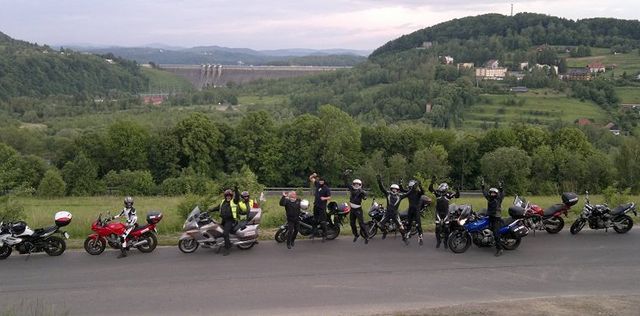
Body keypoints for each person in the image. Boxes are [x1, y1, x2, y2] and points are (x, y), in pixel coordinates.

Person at [376, 175, 409, 245]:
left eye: (395, 189)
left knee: (401, 227)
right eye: (392, 189)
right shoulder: (388, 194)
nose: (394, 190)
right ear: (391, 189)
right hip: (387, 213)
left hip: (395, 214)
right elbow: (382, 189)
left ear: (398, 190)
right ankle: (385, 231)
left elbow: (408, 193)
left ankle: (404, 238)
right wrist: (379, 182)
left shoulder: (400, 196)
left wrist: (413, 189)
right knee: (379, 225)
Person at [429, 177, 460, 249]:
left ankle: (445, 242)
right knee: (437, 227)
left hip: (446, 212)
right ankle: (438, 241)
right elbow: (430, 189)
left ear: (445, 188)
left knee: (446, 228)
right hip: (438, 212)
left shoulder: (449, 194)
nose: (440, 189)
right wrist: (432, 182)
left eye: (442, 188)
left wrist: (457, 189)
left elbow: (457, 196)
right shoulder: (437, 193)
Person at [209, 188, 240, 256]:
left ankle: (227, 249)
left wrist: (236, 191)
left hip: (230, 220)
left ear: (231, 196)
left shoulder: (234, 202)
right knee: (218, 230)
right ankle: (220, 243)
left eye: (230, 195)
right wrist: (209, 210)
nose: (228, 196)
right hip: (224, 220)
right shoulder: (223, 202)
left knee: (225, 234)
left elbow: (237, 197)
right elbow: (217, 208)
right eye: (227, 195)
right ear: (225, 196)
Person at [343, 170, 369, 244]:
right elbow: (346, 183)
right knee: (352, 223)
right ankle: (356, 235)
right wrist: (345, 175)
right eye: (355, 184)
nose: (356, 185)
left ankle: (367, 236)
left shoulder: (361, 191)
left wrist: (364, 197)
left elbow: (365, 196)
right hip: (352, 209)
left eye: (358, 184)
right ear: (353, 184)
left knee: (361, 224)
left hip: (358, 209)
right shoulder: (351, 189)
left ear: (360, 185)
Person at [481, 179, 505, 257]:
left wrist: (501, 187)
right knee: (485, 228)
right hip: (490, 217)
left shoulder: (498, 199)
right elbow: (484, 194)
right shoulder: (489, 198)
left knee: (495, 232)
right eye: (491, 192)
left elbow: (502, 194)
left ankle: (500, 249)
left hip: (496, 218)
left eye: (494, 193)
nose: (492, 194)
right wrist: (482, 186)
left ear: (496, 193)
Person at [401, 179, 426, 245]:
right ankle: (407, 235)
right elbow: (402, 190)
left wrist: (420, 185)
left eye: (411, 187)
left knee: (418, 225)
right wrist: (400, 183)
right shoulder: (409, 192)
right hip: (410, 210)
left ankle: (420, 237)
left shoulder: (418, 192)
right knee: (408, 223)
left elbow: (423, 192)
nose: (410, 188)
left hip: (416, 210)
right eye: (409, 187)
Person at [309, 173, 331, 242]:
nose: (321, 182)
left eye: (322, 181)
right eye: (320, 180)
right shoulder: (317, 184)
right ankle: (313, 233)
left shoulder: (326, 188)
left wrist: (324, 198)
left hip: (322, 207)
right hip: (316, 206)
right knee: (314, 220)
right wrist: (313, 175)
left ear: (324, 182)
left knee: (323, 222)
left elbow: (329, 197)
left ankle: (324, 235)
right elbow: (310, 178)